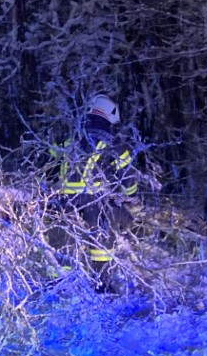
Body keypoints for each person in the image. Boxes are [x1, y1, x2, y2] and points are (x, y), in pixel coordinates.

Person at [47, 94, 139, 280]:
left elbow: (48, 167)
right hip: (96, 201)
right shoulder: (114, 143)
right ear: (110, 115)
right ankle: (102, 282)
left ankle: (58, 284)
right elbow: (127, 178)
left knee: (62, 243)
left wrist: (44, 192)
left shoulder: (69, 137)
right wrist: (131, 199)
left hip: (64, 200)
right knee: (102, 243)